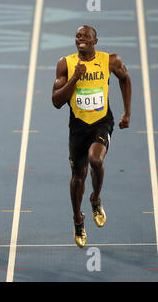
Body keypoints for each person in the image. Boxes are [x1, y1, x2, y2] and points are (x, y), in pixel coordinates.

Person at [52, 25, 131, 248]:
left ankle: (95, 199)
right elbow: (56, 101)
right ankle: (78, 219)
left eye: (86, 36)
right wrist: (75, 78)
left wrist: (127, 112)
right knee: (78, 177)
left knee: (96, 159)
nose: (81, 39)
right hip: (78, 127)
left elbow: (125, 79)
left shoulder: (110, 61)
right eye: (78, 36)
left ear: (95, 41)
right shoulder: (65, 64)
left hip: (101, 123)